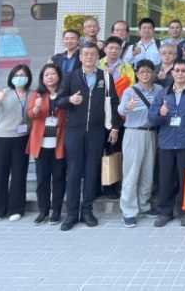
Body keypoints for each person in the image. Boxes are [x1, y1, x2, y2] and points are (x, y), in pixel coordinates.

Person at [57, 43, 120, 231]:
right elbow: (58, 100)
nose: (89, 57)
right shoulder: (71, 77)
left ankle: (87, 211)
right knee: (74, 171)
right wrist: (70, 100)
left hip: (96, 131)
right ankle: (71, 213)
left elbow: (114, 103)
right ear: (81, 57)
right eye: (86, 54)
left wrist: (115, 127)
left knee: (92, 171)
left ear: (97, 57)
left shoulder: (105, 77)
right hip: (74, 131)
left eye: (93, 54)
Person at [148, 59, 185, 228]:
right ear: (172, 73)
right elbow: (152, 119)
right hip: (166, 143)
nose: (180, 74)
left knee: (184, 179)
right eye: (177, 71)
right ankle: (165, 212)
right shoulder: (162, 94)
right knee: (165, 179)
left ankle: (184, 211)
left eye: (183, 71)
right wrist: (161, 113)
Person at [0, 64, 33, 223]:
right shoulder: (4, 93)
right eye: (17, 74)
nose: (20, 77)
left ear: (28, 78)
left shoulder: (32, 95)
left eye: (23, 75)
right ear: (12, 77)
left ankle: (16, 209)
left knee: (19, 174)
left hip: (21, 138)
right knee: (0, 175)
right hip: (1, 138)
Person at [118, 59, 160, 227]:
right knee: (131, 172)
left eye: (148, 72)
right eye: (142, 72)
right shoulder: (130, 91)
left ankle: (144, 205)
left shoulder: (159, 90)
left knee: (148, 172)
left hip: (151, 134)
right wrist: (127, 107)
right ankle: (128, 210)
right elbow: (120, 110)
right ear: (137, 73)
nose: (145, 75)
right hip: (133, 133)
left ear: (153, 74)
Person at [27, 63, 66, 225]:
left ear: (58, 76)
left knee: (58, 178)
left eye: (52, 74)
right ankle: (43, 210)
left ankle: (56, 211)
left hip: (59, 143)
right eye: (46, 75)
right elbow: (30, 115)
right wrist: (35, 108)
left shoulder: (65, 94)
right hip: (41, 144)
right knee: (42, 179)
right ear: (43, 79)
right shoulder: (37, 94)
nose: (50, 77)